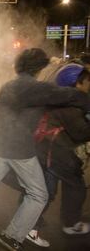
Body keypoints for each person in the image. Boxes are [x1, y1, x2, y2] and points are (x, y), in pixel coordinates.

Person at [0, 48, 90, 251]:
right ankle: (12, 236)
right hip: (20, 150)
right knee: (39, 195)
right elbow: (68, 95)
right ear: (38, 68)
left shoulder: (9, 85)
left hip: (0, 145)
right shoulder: (35, 88)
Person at [35, 65, 90, 236]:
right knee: (75, 187)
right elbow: (81, 132)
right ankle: (70, 224)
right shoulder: (70, 106)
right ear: (76, 84)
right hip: (58, 153)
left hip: (50, 151)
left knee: (47, 191)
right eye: (88, 81)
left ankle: (32, 221)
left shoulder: (63, 100)